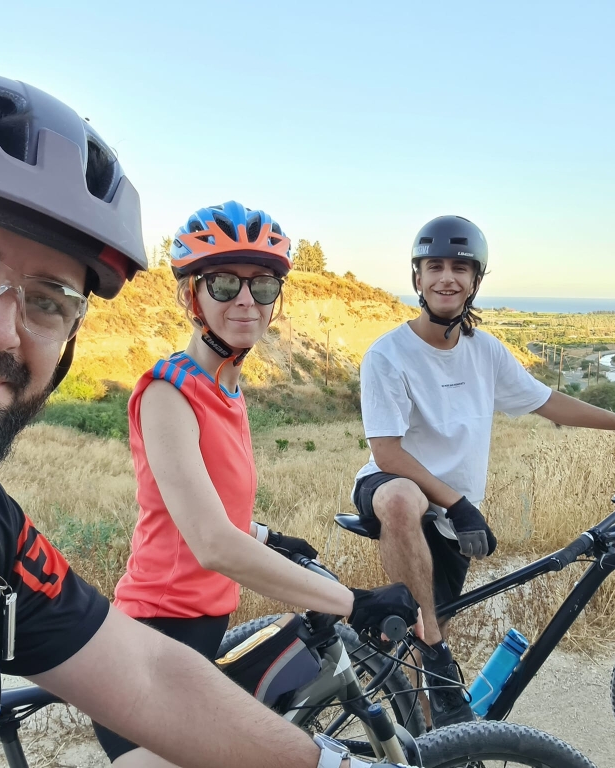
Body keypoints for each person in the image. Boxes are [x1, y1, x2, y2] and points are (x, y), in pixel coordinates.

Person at [0, 71, 414, 768]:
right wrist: (348, 599)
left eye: (49, 300)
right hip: (169, 612)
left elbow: (148, 674)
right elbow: (206, 542)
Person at [95, 201, 422, 766]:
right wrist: (354, 602)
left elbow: (204, 509)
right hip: (153, 646)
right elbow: (211, 542)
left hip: (199, 635)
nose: (246, 300)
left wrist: (266, 536)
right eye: (224, 284)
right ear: (191, 296)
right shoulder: (168, 394)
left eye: (263, 285)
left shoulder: (226, 387)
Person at [352, 215, 615, 727]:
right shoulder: (387, 355)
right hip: (394, 490)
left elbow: (546, 401)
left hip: (451, 516)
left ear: (475, 281)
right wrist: (457, 504)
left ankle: (428, 739)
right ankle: (433, 656)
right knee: (404, 512)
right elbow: (388, 453)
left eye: (460, 268)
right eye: (434, 267)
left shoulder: (484, 351)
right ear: (417, 277)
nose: (446, 278)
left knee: (426, 649)